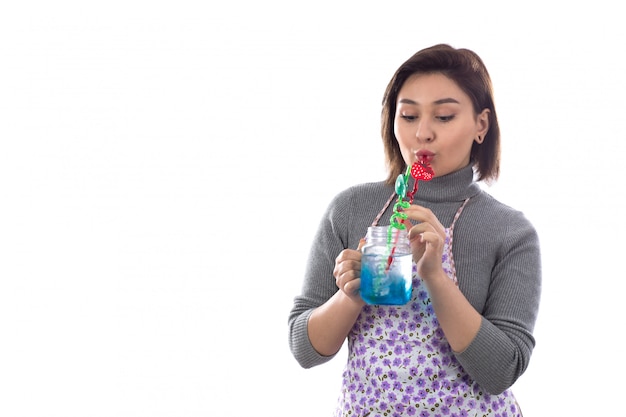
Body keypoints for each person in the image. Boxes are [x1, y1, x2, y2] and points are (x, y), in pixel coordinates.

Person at [288, 44, 542, 417]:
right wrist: (353, 295)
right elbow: (304, 350)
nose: (422, 133)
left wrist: (435, 278)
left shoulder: (510, 232)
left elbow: (501, 371)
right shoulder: (350, 209)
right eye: (408, 115)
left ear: (481, 125)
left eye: (443, 116)